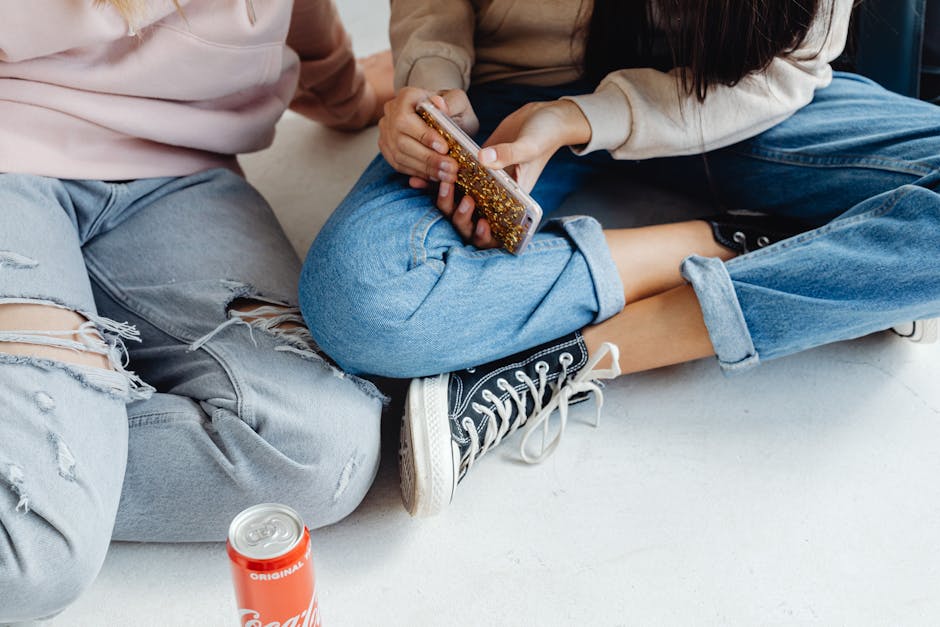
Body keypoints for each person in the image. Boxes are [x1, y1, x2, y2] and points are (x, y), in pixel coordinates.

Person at [300, 0, 940, 518]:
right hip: (511, 95)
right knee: (361, 299)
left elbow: (786, 71)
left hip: (727, 98)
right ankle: (735, 242)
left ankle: (566, 358)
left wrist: (587, 117)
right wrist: (431, 82)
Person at [0, 0, 393, 621]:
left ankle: (53, 456)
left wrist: (350, 95)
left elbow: (300, 16)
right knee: (30, 555)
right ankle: (43, 467)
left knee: (319, 452)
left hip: (179, 174)